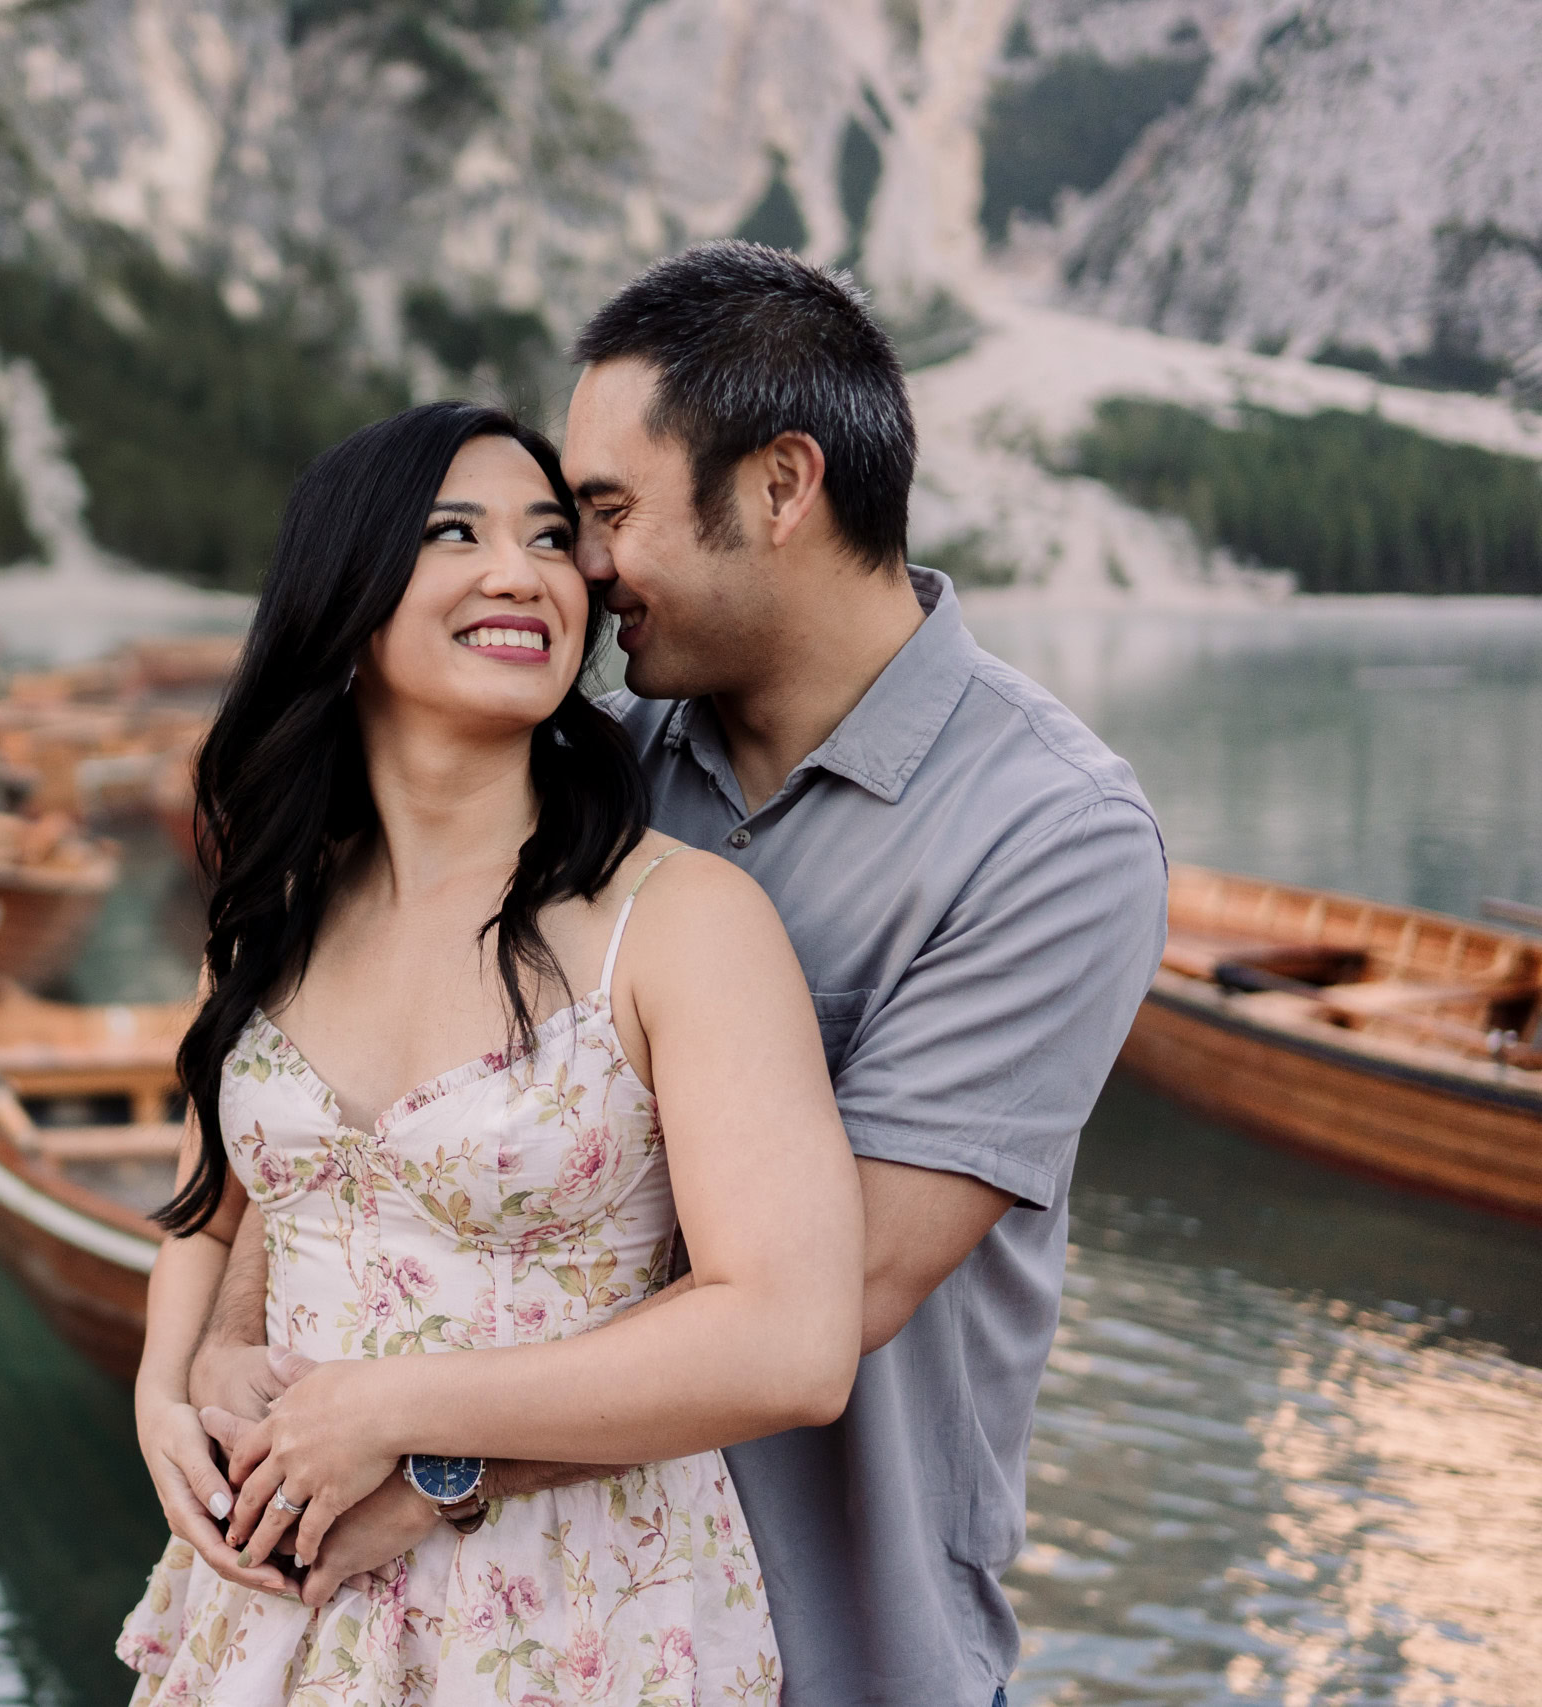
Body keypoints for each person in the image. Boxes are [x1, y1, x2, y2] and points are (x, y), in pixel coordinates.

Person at [181, 243, 1171, 1706]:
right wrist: (205, 1348)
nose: (574, 565)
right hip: (445, 1626)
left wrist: (420, 1463)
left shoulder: (1052, 838)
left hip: (837, 1635)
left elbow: (828, 1299)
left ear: (780, 488)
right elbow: (333, 1118)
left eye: (605, 512)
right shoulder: (595, 774)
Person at [121, 399, 868, 1705]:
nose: (520, 570)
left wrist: (397, 1416)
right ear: (345, 595)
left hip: (575, 1608)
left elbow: (794, 1340)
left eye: (547, 535)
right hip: (270, 1609)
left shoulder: (683, 923)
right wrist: (164, 1386)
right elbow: (217, 1203)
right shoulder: (274, 903)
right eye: (453, 533)